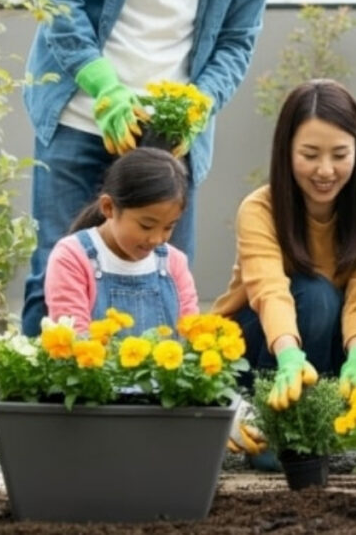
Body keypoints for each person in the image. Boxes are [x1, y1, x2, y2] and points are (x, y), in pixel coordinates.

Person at [22, 0, 267, 336]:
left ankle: (154, 388)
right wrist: (102, 83)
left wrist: (201, 102)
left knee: (167, 280)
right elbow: (60, 5)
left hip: (171, 129)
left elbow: (236, 40)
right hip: (78, 113)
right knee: (54, 273)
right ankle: (39, 389)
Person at [44, 147, 258, 454]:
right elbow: (74, 345)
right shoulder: (74, 257)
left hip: (165, 414)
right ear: (108, 207)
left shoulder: (173, 263)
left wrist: (224, 406)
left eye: (169, 227)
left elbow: (192, 341)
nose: (157, 238)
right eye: (146, 225)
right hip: (97, 412)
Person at [212, 79, 356, 413]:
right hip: (256, 347)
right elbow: (270, 292)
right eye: (310, 155)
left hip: (326, 343)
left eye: (340, 155)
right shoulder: (259, 209)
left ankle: (314, 415)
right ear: (287, 150)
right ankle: (269, 411)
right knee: (316, 295)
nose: (325, 170)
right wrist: (289, 357)